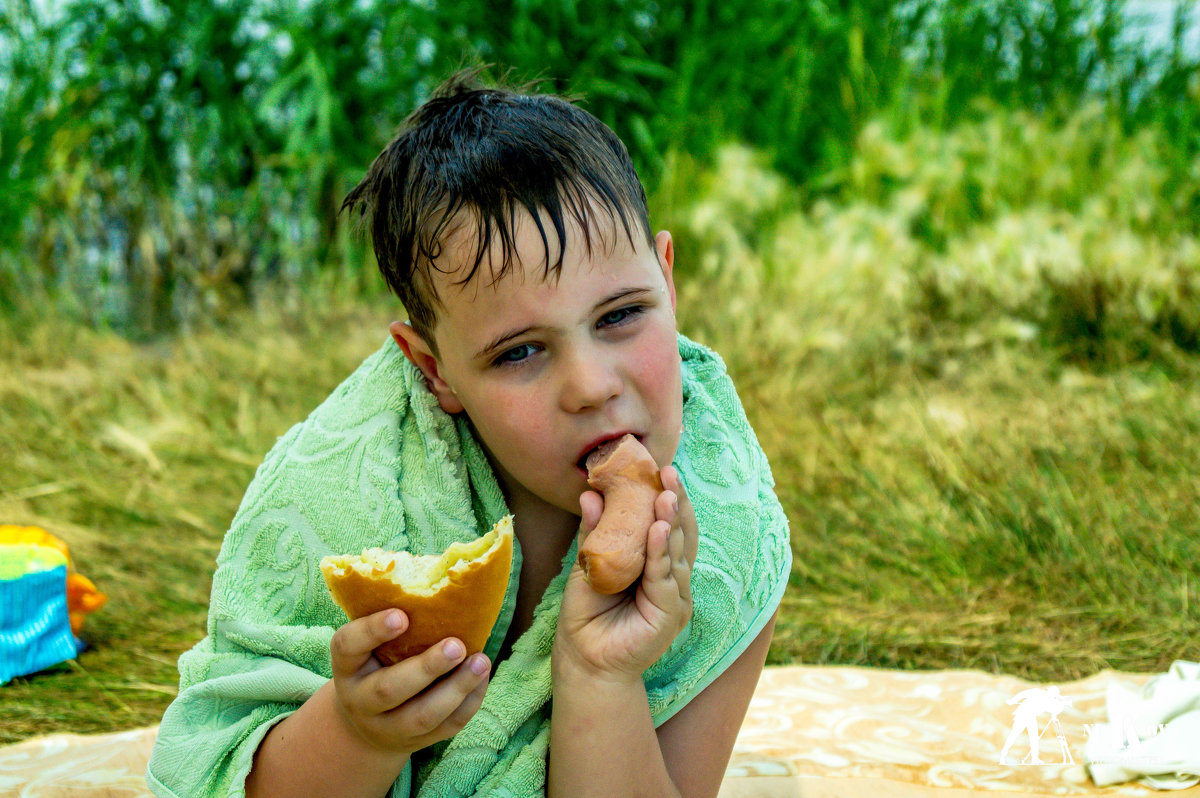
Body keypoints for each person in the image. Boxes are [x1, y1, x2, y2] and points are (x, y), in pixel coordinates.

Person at [146, 67, 791, 798]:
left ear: (668, 284)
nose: (591, 385)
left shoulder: (731, 531)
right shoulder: (350, 501)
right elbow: (220, 775)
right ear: (435, 369)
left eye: (619, 316)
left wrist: (601, 673)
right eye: (519, 352)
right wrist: (358, 733)